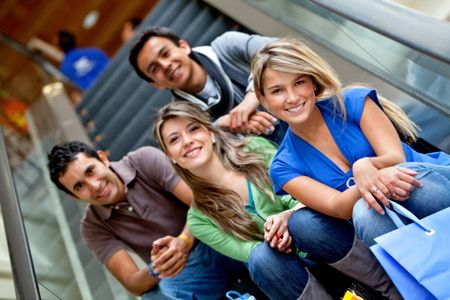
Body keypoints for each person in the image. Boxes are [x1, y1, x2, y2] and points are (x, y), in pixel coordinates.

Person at [152, 101, 400, 299]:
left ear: (211, 133)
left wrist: (287, 217)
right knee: (261, 259)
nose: (187, 141)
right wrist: (276, 235)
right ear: (170, 157)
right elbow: (249, 252)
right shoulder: (198, 220)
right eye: (174, 139)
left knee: (303, 222)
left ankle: (392, 290)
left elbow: (304, 195)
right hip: (293, 271)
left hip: (325, 236)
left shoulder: (255, 149)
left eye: (193, 129)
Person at [251, 38, 450, 247]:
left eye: (299, 82)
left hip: (429, 182)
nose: (292, 97)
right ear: (262, 99)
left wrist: (366, 165)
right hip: (386, 219)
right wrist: (363, 178)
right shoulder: (283, 166)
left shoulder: (352, 101)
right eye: (277, 90)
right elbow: (338, 207)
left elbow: (396, 158)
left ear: (313, 82)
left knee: (404, 183)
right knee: (366, 214)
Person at [47, 141, 247, 299]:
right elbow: (133, 283)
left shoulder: (143, 159)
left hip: (215, 234)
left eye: (90, 171)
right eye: (79, 186)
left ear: (102, 158)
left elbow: (201, 200)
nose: (94, 186)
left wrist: (184, 241)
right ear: (74, 197)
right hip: (186, 271)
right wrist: (159, 266)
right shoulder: (92, 227)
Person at [129, 27, 287, 144]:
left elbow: (281, 48)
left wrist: (252, 95)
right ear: (156, 84)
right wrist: (222, 126)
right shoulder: (181, 116)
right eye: (154, 68)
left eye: (165, 53)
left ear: (183, 46)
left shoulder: (226, 45)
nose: (165, 65)